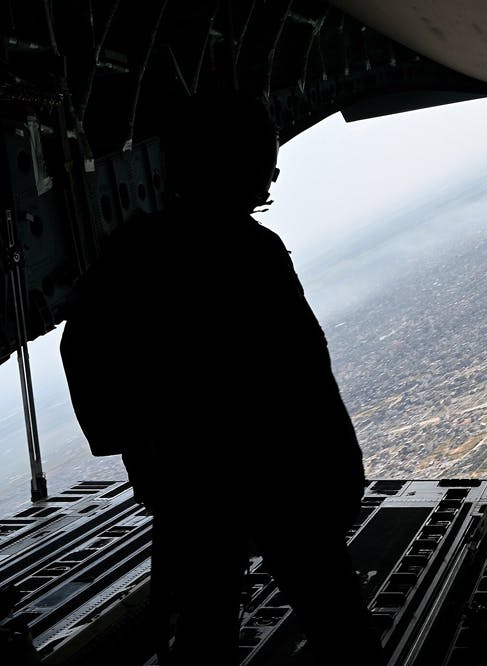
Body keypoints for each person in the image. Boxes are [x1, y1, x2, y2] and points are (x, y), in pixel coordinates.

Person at [59, 92, 386, 665]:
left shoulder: (132, 254)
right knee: (339, 627)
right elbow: (306, 380)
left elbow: (85, 357)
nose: (273, 170)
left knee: (203, 634)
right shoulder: (253, 252)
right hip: (280, 478)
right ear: (236, 163)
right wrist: (340, 475)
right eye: (265, 156)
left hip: (193, 484)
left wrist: (147, 452)